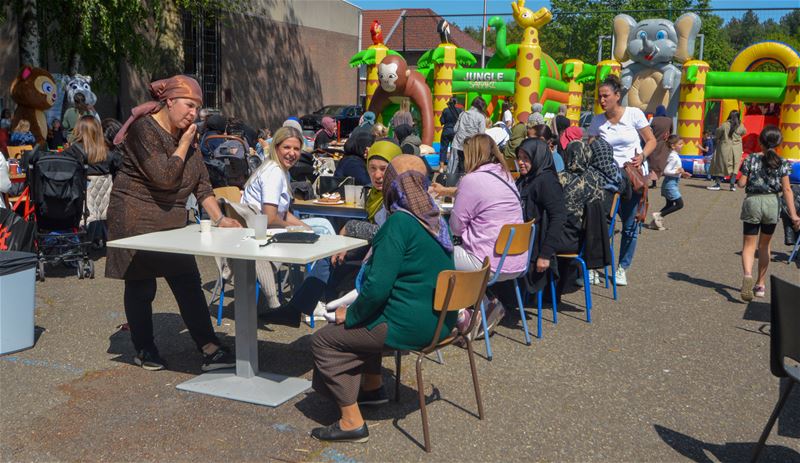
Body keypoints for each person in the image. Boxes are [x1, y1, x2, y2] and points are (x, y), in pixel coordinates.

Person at [309, 154, 454, 443]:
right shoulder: (436, 221)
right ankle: (372, 388)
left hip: (411, 325)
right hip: (439, 320)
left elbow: (376, 288)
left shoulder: (399, 223)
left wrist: (350, 314)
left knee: (324, 340)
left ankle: (351, 422)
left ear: (392, 186)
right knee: (369, 317)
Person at [106, 75, 241, 372]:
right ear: (169, 102)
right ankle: (144, 349)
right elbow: (164, 176)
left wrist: (220, 219)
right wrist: (184, 143)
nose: (194, 113)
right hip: (135, 216)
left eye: (197, 108)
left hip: (170, 220)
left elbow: (202, 185)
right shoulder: (144, 129)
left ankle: (209, 347)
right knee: (141, 285)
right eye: (189, 105)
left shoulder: (186, 135)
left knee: (187, 278)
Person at [261, 140, 403, 326]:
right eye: (372, 168)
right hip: (375, 250)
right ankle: (301, 310)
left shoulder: (399, 196)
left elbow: (388, 232)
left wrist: (350, 227)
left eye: (384, 169)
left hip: (389, 259)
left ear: (395, 168)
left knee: (334, 264)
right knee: (331, 254)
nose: (377, 175)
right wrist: (345, 241)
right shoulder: (376, 194)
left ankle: (302, 312)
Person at [449, 134, 525, 333]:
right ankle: (486, 303)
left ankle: (460, 313)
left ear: (472, 154)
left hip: (490, 263)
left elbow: (456, 227)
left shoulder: (471, 180)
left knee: (437, 257)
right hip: (516, 260)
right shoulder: (506, 176)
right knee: (465, 253)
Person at [587, 74, 656, 286]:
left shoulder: (634, 114)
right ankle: (596, 267)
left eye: (606, 96)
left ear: (617, 96)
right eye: (599, 96)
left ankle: (622, 268)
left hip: (632, 178)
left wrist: (642, 156)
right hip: (606, 179)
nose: (602, 100)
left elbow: (651, 140)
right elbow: (591, 147)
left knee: (629, 226)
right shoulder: (597, 121)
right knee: (602, 224)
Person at [737, 125, 800, 301]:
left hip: (753, 202)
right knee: (764, 246)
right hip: (772, 203)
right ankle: (760, 285)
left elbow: (741, 184)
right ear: (779, 143)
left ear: (760, 141)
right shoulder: (783, 162)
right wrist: (794, 215)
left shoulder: (751, 159)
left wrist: (742, 175)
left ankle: (747, 275)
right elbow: (787, 190)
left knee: (749, 246)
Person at [515, 138, 569, 296]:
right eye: (519, 158)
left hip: (535, 248)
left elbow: (559, 217)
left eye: (526, 158)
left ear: (537, 157)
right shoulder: (526, 179)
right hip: (521, 240)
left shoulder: (546, 181)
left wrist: (545, 255)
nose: (521, 162)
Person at [65, 116, 123, 245]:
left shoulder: (72, 152)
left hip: (81, 203)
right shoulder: (108, 154)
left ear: (79, 130)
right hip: (105, 203)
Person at [650, 135, 691, 231]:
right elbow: (666, 171)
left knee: (669, 205)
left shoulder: (674, 155)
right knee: (679, 204)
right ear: (673, 146)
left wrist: (682, 173)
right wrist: (677, 172)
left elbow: (674, 170)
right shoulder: (674, 157)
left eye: (682, 144)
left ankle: (655, 223)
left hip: (672, 183)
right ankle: (658, 215)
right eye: (680, 144)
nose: (682, 146)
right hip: (670, 184)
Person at [709, 110, 745, 191]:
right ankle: (732, 186)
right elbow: (744, 132)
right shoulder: (741, 125)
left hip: (725, 147)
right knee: (735, 167)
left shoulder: (725, 125)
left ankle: (717, 184)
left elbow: (718, 133)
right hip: (737, 149)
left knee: (721, 165)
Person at [451, 98, 487, 173]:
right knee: (469, 168)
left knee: (455, 167)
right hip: (471, 146)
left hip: (458, 144)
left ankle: (452, 179)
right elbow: (481, 134)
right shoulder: (481, 117)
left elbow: (455, 129)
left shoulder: (463, 114)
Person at [647, 105, 673, 184]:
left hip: (653, 144)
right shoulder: (669, 120)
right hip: (664, 145)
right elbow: (671, 131)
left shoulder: (652, 119)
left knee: (652, 163)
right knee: (661, 162)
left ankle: (653, 182)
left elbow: (648, 130)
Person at [439, 97, 461, 170]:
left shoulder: (445, 110)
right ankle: (451, 167)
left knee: (443, 148)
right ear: (456, 103)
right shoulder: (460, 111)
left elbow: (442, 121)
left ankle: (441, 168)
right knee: (453, 149)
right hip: (455, 132)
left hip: (446, 131)